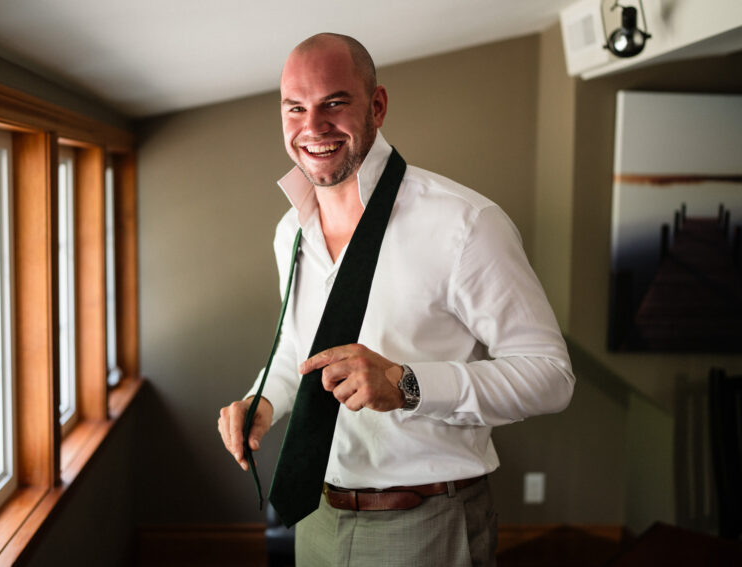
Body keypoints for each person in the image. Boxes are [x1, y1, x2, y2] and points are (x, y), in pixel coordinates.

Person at [218, 32, 575, 566]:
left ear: (377, 106)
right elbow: (303, 349)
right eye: (296, 108)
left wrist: (408, 384)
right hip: (315, 518)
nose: (312, 127)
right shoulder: (289, 231)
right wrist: (264, 400)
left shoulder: (465, 224)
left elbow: (551, 377)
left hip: (428, 524)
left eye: (334, 103)